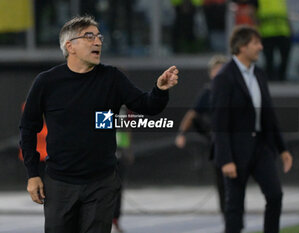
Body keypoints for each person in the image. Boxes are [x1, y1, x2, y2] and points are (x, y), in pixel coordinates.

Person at [19, 15, 179, 233]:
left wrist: (160, 89)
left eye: (99, 36)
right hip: (59, 184)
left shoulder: (112, 78)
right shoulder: (47, 82)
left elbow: (147, 105)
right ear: (70, 46)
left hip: (101, 184)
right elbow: (28, 128)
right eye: (89, 36)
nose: (98, 42)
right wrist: (32, 174)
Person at [211, 25, 293, 233]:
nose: (261, 47)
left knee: (275, 195)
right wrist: (226, 158)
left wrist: (282, 149)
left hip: (261, 147)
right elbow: (219, 122)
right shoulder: (224, 77)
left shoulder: (260, 74)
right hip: (236, 152)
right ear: (242, 46)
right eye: (256, 43)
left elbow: (269, 115)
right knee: (235, 208)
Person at [175, 55, 227, 218]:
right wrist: (182, 134)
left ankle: (233, 212)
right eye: (216, 70)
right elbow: (192, 114)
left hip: (235, 141)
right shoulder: (208, 93)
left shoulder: (235, 90)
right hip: (218, 142)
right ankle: (227, 214)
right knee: (222, 180)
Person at [256, 0, 292, 81]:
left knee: (285, 58)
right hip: (267, 33)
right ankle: (270, 80)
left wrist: (290, 29)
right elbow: (252, 12)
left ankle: (281, 78)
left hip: (283, 31)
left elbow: (286, 13)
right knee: (269, 59)